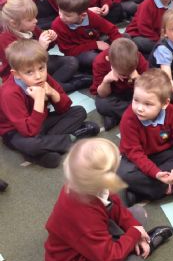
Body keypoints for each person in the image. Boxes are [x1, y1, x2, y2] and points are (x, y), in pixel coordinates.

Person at [45, 137, 173, 261]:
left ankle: (134, 246)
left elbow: (114, 207)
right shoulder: (83, 214)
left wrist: (134, 228)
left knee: (138, 213)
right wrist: (135, 234)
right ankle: (143, 249)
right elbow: (110, 258)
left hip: (94, 237)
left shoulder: (87, 184)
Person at [0, 40, 99, 168]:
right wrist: (39, 100)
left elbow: (65, 107)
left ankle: (42, 150)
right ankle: (72, 137)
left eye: (41, 68)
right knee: (32, 144)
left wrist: (53, 93)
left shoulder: (44, 78)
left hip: (40, 122)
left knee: (79, 111)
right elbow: (28, 131)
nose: (38, 76)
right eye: (29, 72)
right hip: (16, 132)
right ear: (17, 74)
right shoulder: (9, 93)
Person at [118, 69, 173, 203]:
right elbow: (135, 153)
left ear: (164, 104)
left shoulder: (171, 112)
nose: (139, 108)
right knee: (123, 173)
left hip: (164, 154)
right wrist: (156, 173)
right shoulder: (128, 119)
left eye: (148, 104)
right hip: (135, 158)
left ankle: (141, 192)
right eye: (136, 100)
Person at [0, 0, 91, 92]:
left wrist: (51, 38)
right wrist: (41, 47)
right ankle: (69, 85)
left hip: (40, 64)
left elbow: (47, 46)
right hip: (23, 75)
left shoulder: (31, 28)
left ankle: (52, 85)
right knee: (27, 90)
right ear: (13, 23)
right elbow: (23, 64)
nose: (35, 21)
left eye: (35, 17)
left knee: (71, 61)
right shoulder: (5, 39)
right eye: (30, 20)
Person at [52, 0, 122, 71]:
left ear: (83, 15)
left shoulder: (91, 16)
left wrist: (120, 46)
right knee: (93, 58)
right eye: (60, 11)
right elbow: (68, 51)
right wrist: (95, 44)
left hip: (96, 44)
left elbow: (111, 29)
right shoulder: (57, 25)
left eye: (67, 15)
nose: (61, 16)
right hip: (78, 53)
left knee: (123, 39)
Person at [90, 38, 148, 131]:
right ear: (109, 60)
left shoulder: (138, 57)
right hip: (113, 94)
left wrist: (138, 77)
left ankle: (116, 117)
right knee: (103, 104)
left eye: (128, 73)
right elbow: (102, 94)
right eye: (123, 74)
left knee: (155, 93)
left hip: (134, 90)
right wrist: (106, 81)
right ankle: (139, 114)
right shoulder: (100, 61)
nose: (126, 76)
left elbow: (149, 86)